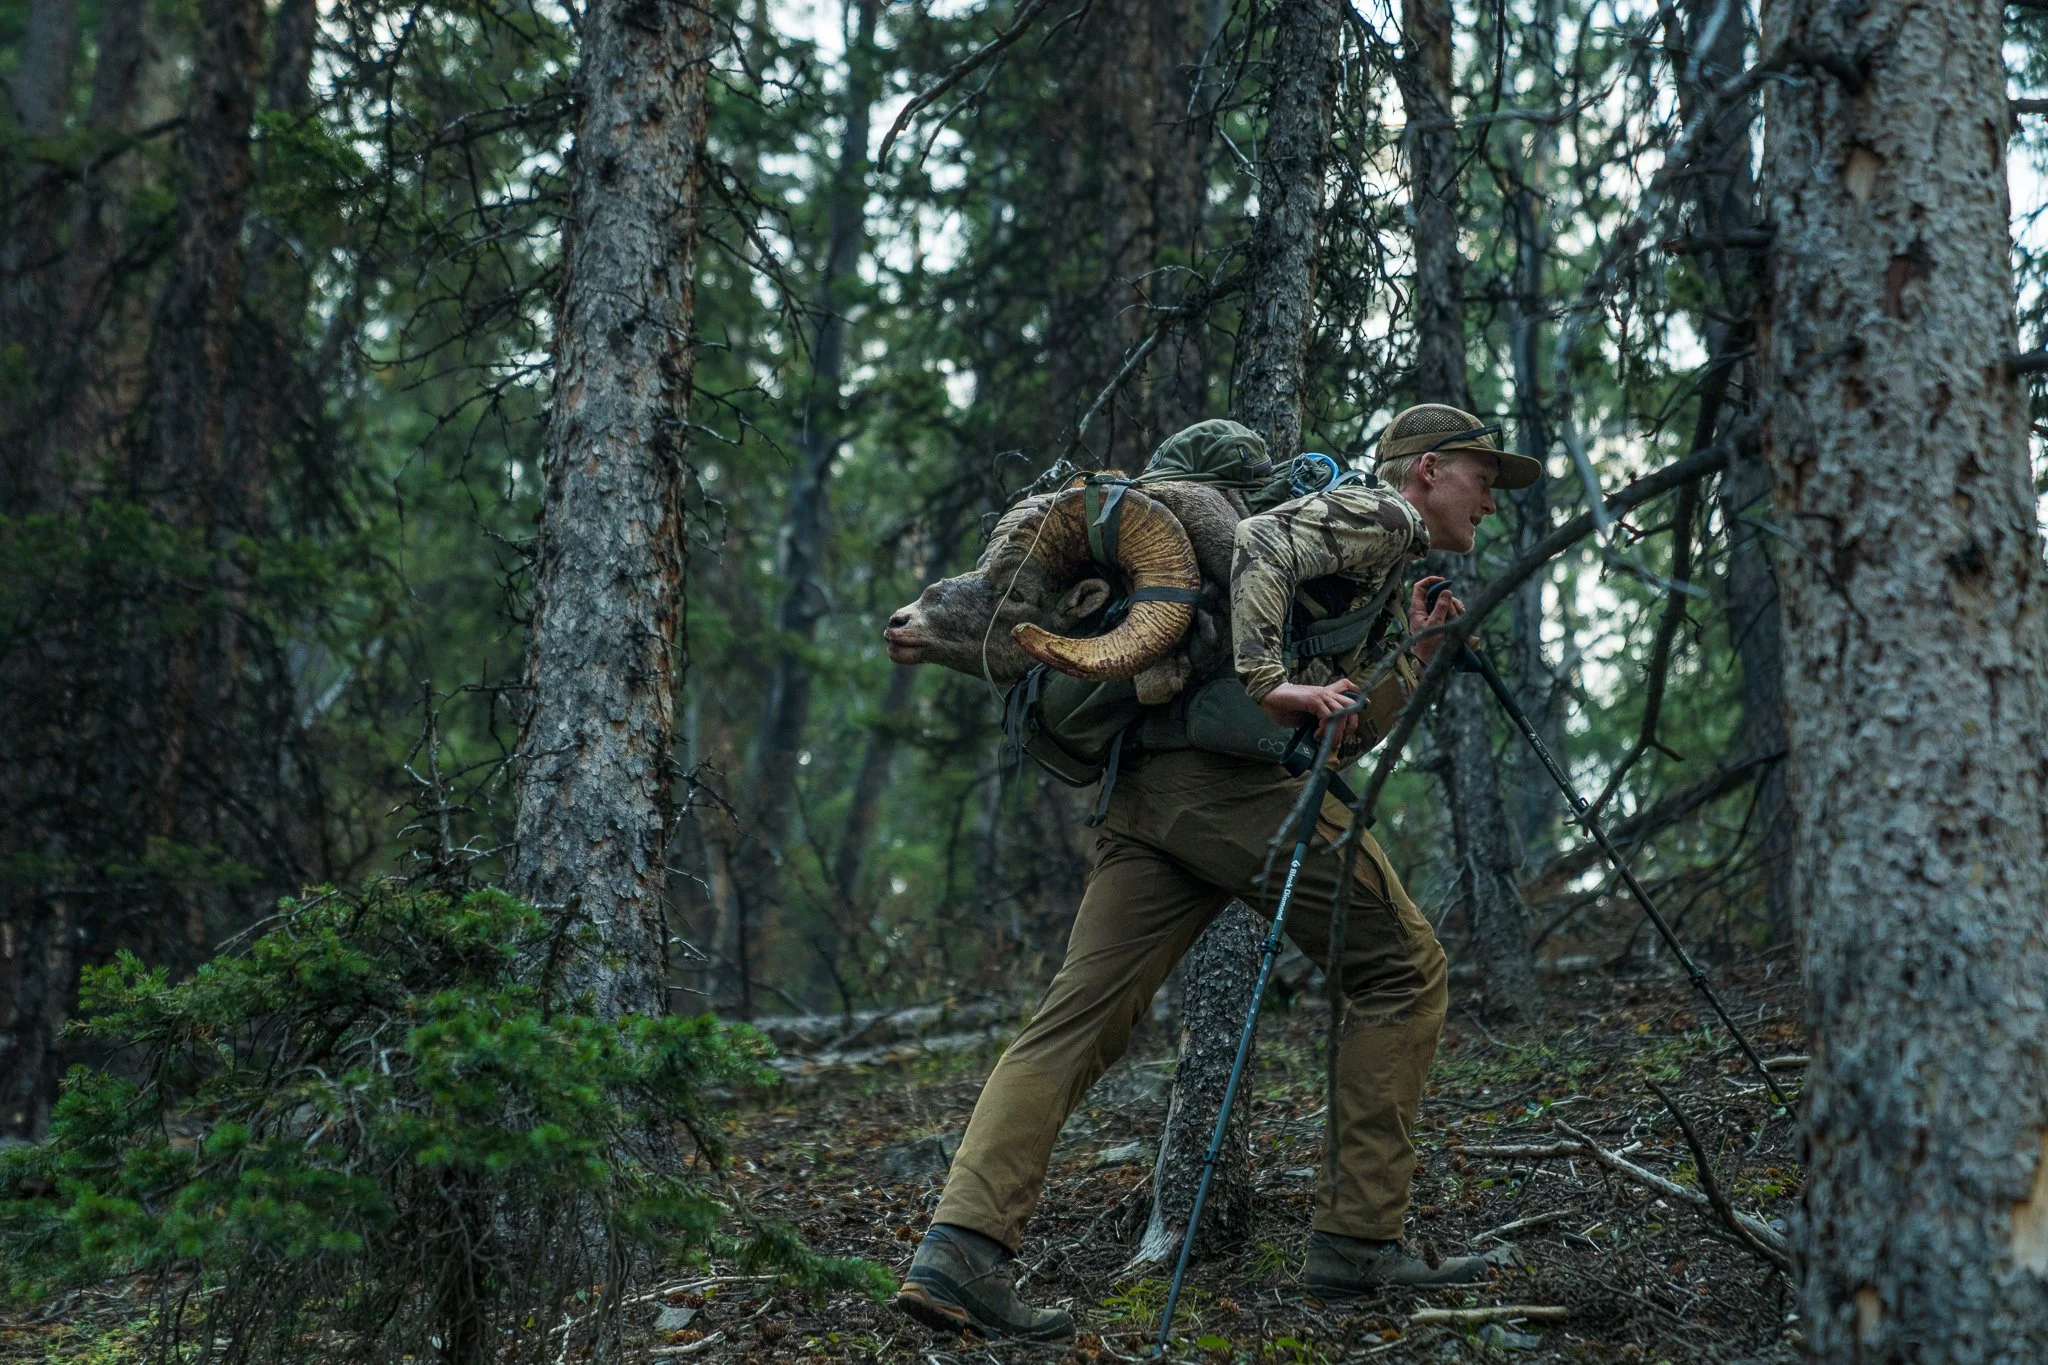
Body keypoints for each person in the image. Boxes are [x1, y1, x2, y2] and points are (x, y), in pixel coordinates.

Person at [893, 405, 1541, 1341]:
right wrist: (1270, 676)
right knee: (1404, 971)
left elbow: (1337, 734)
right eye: (1485, 477)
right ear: (1429, 468)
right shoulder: (1381, 516)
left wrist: (1414, 657)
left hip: (1149, 796)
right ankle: (1358, 1243)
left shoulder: (1369, 568)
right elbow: (1267, 549)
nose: (1492, 500)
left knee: (1074, 1019)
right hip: (1230, 797)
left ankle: (957, 1254)